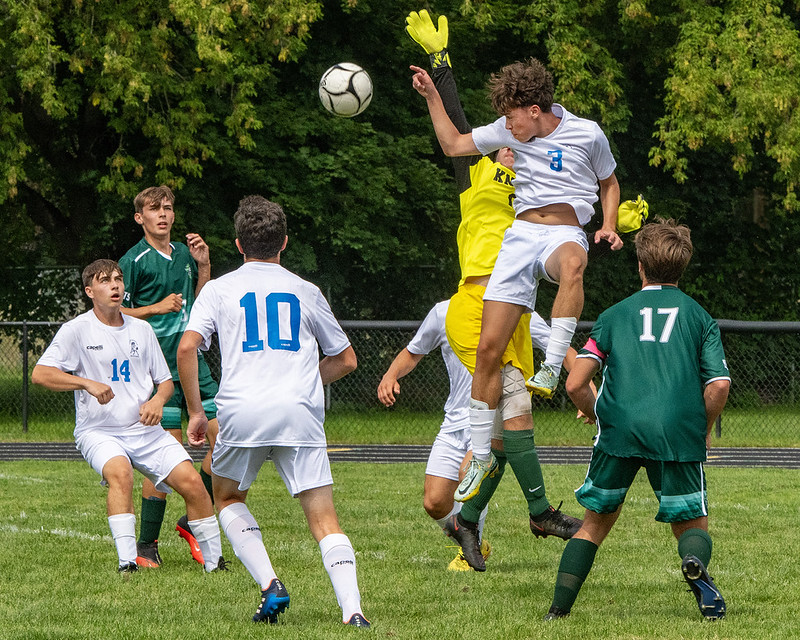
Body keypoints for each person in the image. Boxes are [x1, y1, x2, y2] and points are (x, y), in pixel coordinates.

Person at [405, 10, 583, 571]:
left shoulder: (536, 183)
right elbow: (457, 128)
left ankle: (476, 516)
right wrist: (439, 69)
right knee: (510, 410)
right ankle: (537, 515)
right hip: (475, 305)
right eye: (503, 138)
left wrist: (611, 222)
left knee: (515, 428)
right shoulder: (477, 177)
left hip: (516, 307)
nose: (510, 145)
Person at [411, 49, 624, 504]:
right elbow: (453, 144)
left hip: (564, 232)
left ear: (534, 110)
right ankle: (481, 454)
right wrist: (432, 96)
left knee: (572, 263)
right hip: (520, 236)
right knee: (488, 351)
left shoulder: (588, 134)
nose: (507, 129)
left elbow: (609, 182)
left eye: (513, 119)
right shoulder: (508, 130)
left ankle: (551, 368)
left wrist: (609, 223)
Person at [176, 196, 369, 627]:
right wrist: (301, 382)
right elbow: (346, 359)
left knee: (225, 497)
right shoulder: (306, 289)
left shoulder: (221, 289)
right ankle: (353, 612)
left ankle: (270, 584)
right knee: (323, 517)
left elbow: (187, 347)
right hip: (299, 412)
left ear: (239, 245)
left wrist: (194, 412)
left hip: (241, 412)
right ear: (284, 242)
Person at [544, 219, 731, 620]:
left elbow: (577, 383)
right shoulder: (700, 318)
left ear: (641, 266)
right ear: (681, 267)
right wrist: (702, 427)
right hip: (678, 431)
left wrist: (601, 419)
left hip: (620, 430)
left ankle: (558, 611)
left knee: (594, 524)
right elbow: (718, 386)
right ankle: (695, 568)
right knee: (691, 519)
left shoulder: (614, 315)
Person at [31, 260, 226, 574]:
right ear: (89, 290)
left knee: (192, 482)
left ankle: (215, 565)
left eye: (118, 279)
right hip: (98, 430)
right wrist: (86, 383)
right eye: (105, 280)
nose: (115, 285)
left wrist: (158, 401)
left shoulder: (141, 329)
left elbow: (164, 382)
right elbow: (40, 374)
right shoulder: (76, 330)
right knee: (121, 473)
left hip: (143, 429)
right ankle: (127, 563)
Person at [118, 185, 219, 568]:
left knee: (227, 442)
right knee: (165, 461)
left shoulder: (186, 255)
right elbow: (115, 313)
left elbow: (200, 305)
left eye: (168, 208)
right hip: (155, 371)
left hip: (194, 365)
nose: (163, 214)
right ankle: (146, 545)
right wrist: (157, 307)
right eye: (154, 209)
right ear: (139, 218)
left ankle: (191, 520)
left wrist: (205, 266)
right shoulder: (134, 260)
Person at [377, 299, 491, 571]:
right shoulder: (445, 311)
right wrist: (390, 375)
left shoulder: (511, 306)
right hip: (453, 422)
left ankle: (471, 548)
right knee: (434, 502)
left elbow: (555, 345)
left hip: (490, 417)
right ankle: (475, 544)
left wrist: (584, 393)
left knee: (469, 476)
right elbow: (413, 351)